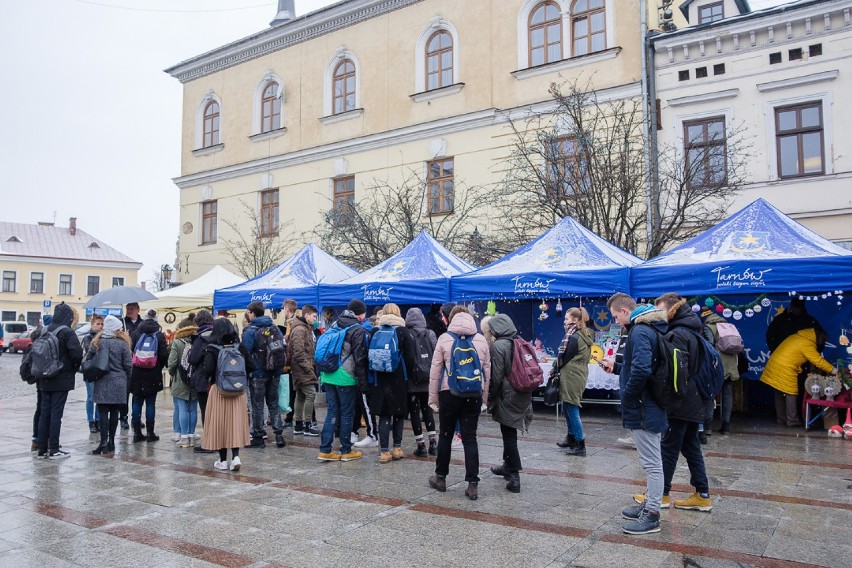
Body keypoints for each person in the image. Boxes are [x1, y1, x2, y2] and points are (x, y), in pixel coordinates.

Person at [632, 294, 712, 512]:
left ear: (670, 309)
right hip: (696, 399)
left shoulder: (676, 333)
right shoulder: (693, 329)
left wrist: (667, 397)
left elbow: (676, 372)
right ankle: (702, 494)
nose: (657, 314)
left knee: (668, 447)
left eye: (659, 310)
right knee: (691, 446)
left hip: (682, 401)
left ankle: (663, 494)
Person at [607, 293, 667, 535]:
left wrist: (629, 395)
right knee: (650, 461)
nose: (617, 322)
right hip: (647, 404)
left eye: (615, 317)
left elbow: (642, 370)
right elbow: (638, 366)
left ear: (624, 311)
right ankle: (648, 505)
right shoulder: (645, 329)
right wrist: (619, 369)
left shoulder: (640, 331)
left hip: (644, 406)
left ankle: (652, 514)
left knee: (652, 463)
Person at [428, 305, 491, 500]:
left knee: (446, 435)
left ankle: (441, 478)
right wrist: (484, 399)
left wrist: (433, 399)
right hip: (473, 392)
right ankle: (472, 484)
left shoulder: (444, 339)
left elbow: (435, 371)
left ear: (451, 319)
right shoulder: (481, 340)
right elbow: (487, 374)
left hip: (450, 392)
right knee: (470, 438)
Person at [484, 314, 532, 493]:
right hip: (522, 392)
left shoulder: (499, 345)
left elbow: (496, 376)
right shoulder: (519, 340)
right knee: (509, 431)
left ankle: (514, 476)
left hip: (508, 394)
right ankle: (506, 465)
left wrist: (490, 397)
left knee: (508, 434)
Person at [317, 302, 367, 462]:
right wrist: (363, 381)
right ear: (359, 314)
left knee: (332, 412)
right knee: (347, 414)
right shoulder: (357, 329)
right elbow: (360, 358)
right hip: (345, 377)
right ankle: (346, 450)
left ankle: (325, 450)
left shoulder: (335, 324)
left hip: (328, 374)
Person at [200, 318, 252, 471]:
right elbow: (251, 365)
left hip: (219, 391)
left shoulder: (211, 347)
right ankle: (236, 457)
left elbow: (207, 369)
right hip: (237, 392)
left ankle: (222, 460)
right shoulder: (239, 346)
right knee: (235, 424)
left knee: (220, 425)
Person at [761, 326, 836, 427]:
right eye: (823, 340)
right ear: (818, 337)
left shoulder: (799, 337)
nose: (823, 343)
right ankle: (792, 420)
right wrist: (834, 370)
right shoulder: (806, 344)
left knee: (778, 392)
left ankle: (781, 419)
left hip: (775, 364)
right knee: (791, 393)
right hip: (785, 367)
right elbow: (818, 361)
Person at [369, 303, 416, 464]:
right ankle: (397, 448)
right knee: (398, 414)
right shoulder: (403, 331)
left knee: (384, 415)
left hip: (379, 379)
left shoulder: (375, 331)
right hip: (398, 378)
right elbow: (410, 357)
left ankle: (383, 452)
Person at [35, 302, 82, 459]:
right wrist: (72, 368)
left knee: (44, 413)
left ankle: (42, 449)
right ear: (68, 316)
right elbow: (77, 354)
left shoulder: (45, 330)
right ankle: (54, 448)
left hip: (44, 376)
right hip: (61, 378)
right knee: (56, 414)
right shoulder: (67, 332)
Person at [241, 301, 286, 449]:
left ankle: (258, 436)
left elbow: (245, 352)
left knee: (257, 405)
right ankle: (279, 434)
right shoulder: (274, 327)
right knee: (273, 403)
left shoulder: (250, 330)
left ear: (252, 313)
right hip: (275, 372)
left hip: (258, 373)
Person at [88, 315, 132, 455]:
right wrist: (126, 377)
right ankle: (111, 442)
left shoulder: (97, 342)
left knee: (102, 412)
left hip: (101, 380)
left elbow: (88, 359)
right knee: (114, 412)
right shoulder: (122, 343)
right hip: (118, 381)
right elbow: (128, 365)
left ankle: (103, 442)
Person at [553, 307, 594, 456]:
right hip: (576, 373)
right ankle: (571, 438)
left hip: (572, 374)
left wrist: (554, 367)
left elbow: (564, 357)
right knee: (568, 406)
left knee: (572, 408)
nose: (564, 321)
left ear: (575, 320)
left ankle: (579, 443)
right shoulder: (582, 334)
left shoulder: (575, 337)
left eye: (566, 318)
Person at [129, 309, 168, 443]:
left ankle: (136, 433)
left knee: (137, 401)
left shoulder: (136, 333)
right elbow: (163, 355)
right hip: (153, 373)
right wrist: (158, 366)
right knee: (151, 403)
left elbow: (131, 351)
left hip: (137, 372)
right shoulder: (159, 335)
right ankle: (150, 433)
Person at [700, 308, 740, 436]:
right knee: (727, 394)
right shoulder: (729, 326)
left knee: (710, 395)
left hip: (716, 365)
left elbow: (709, 344)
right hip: (731, 365)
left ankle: (708, 427)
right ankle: (726, 426)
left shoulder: (709, 327)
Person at [405, 307, 437, 457]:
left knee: (415, 412)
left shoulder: (407, 334)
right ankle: (434, 444)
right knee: (427, 410)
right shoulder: (430, 333)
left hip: (413, 380)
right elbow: (436, 355)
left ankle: (421, 446)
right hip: (428, 379)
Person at [351, 299, 379, 449]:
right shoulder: (364, 329)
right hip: (361, 375)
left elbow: (361, 358)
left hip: (364, 376)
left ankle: (372, 435)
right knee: (358, 405)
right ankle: (355, 431)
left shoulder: (363, 331)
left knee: (366, 406)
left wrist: (362, 379)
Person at [168, 315, 199, 447]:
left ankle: (184, 437)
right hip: (195, 379)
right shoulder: (198, 340)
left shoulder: (177, 342)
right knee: (192, 408)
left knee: (181, 408)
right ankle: (191, 436)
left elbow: (172, 362)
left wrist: (172, 373)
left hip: (180, 380)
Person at [188, 310, 216, 453]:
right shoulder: (218, 335)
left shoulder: (200, 339)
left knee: (206, 411)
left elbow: (192, 359)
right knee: (217, 411)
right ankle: (218, 442)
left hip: (202, 380)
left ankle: (209, 443)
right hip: (217, 380)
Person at [289, 304, 319, 436]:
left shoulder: (303, 328)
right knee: (310, 394)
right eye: (314, 316)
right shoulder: (300, 330)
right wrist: (308, 368)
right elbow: (298, 351)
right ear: (306, 315)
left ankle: (299, 425)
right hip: (302, 368)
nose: (315, 319)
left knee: (300, 396)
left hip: (301, 367)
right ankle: (307, 425)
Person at [81, 314, 104, 433]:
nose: (100, 326)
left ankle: (98, 419)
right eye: (97, 324)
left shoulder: (104, 337)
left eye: (101, 324)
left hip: (100, 370)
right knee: (90, 397)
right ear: (92, 325)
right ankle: (91, 421)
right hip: (90, 370)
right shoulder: (87, 338)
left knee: (99, 396)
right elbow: (90, 351)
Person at [281, 298, 298, 428]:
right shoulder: (297, 321)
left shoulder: (291, 323)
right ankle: (292, 417)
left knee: (294, 392)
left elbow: (289, 344)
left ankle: (292, 418)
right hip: (295, 362)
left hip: (292, 363)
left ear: (287, 309)